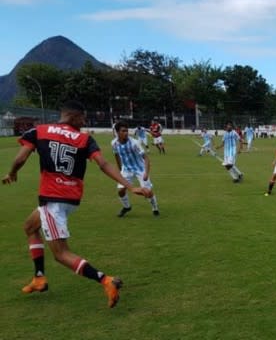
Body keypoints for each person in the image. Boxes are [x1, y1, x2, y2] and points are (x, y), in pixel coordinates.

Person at [2, 101, 150, 308]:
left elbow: (21, 157)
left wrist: (12, 173)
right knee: (29, 226)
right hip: (70, 198)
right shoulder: (85, 138)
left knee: (61, 254)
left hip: (53, 199)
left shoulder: (40, 131)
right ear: (73, 116)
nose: (84, 121)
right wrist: (130, 186)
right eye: (82, 118)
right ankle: (39, 278)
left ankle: (106, 280)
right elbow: (104, 164)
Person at [112, 122, 160, 217]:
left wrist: (146, 173)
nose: (126, 133)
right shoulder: (114, 143)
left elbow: (146, 158)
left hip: (140, 169)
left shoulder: (134, 143)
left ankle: (155, 207)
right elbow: (116, 155)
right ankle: (127, 207)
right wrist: (121, 170)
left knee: (148, 192)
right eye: (123, 131)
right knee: (121, 190)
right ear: (117, 132)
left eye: (127, 130)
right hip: (126, 170)